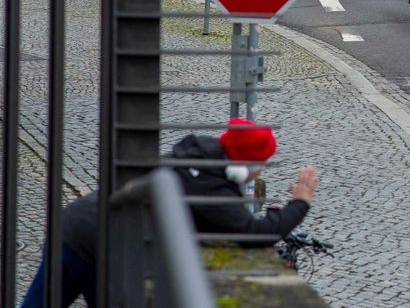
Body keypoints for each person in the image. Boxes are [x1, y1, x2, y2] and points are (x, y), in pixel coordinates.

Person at [19, 119, 318, 308]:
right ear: (243, 165)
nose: (260, 172)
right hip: (99, 245)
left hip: (73, 224)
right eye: (261, 164)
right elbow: (252, 235)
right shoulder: (210, 187)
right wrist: (300, 203)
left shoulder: (199, 157)